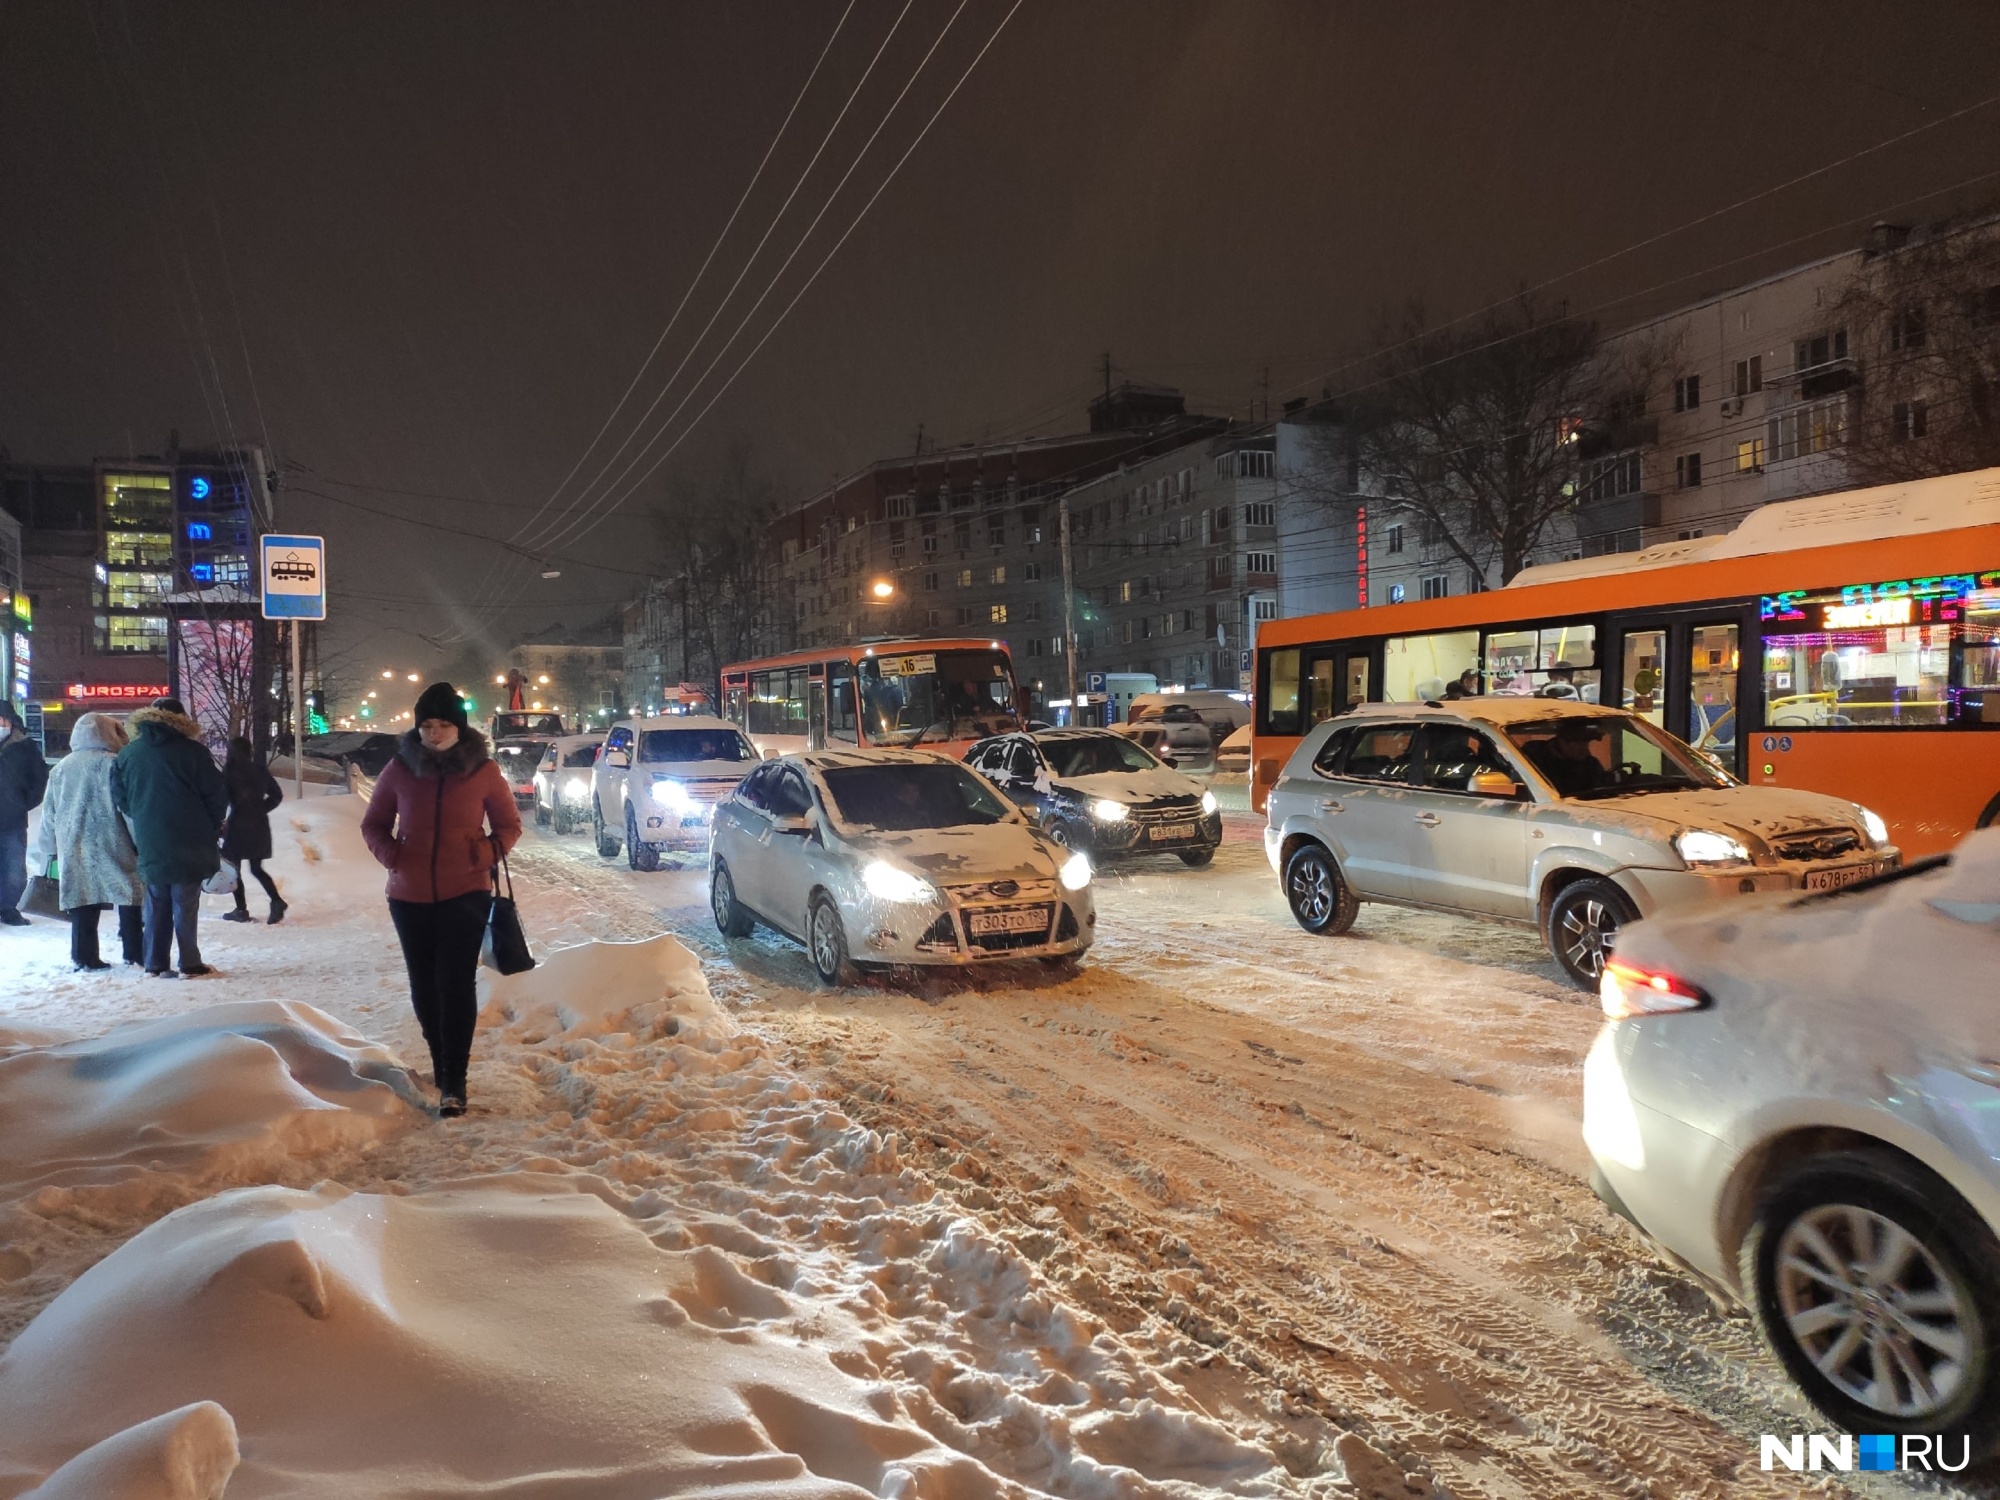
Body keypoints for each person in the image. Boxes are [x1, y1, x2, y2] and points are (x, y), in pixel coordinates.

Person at [361, 683, 521, 1119]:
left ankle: (455, 1079)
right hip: (408, 897)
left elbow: (508, 826)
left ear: (459, 726)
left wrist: (482, 854)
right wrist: (394, 856)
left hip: (465, 893)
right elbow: (373, 824)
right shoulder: (399, 769)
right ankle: (439, 1059)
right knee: (424, 987)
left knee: (455, 984)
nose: (433, 733)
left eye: (443, 724)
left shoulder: (482, 771)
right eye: (427, 725)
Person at [113, 697, 229, 977]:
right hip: (191, 837)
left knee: (156, 901)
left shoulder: (129, 754)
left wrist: (143, 818)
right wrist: (211, 825)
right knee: (185, 902)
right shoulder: (194, 753)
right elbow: (217, 795)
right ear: (181, 720)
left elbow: (121, 797)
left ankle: (154, 962)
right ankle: (189, 962)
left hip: (151, 838)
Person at [29, 712, 144, 969]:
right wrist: (141, 840)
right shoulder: (116, 764)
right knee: (129, 893)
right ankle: (134, 952)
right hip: (114, 839)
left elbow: (50, 813)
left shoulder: (61, 768)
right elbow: (128, 809)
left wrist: (49, 849)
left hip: (74, 842)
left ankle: (84, 956)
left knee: (82, 898)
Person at [220, 737, 287, 924]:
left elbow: (221, 799)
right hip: (259, 824)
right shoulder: (259, 771)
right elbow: (277, 795)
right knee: (257, 868)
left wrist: (218, 821)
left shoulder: (229, 772)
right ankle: (276, 900)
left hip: (238, 824)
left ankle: (241, 909)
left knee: (234, 869)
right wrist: (261, 808)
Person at [0, 703, 50, 926]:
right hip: (13, 816)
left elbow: (39, 779)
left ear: (11, 721)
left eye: (2, 719)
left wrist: (22, 804)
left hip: (13, 819)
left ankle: (9, 909)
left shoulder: (24, 747)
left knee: (13, 869)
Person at [1525, 718, 1609, 797]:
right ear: (1562, 742)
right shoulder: (1535, 759)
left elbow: (1602, 788)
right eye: (1579, 744)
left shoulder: (1591, 765)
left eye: (1587, 743)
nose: (1585, 749)